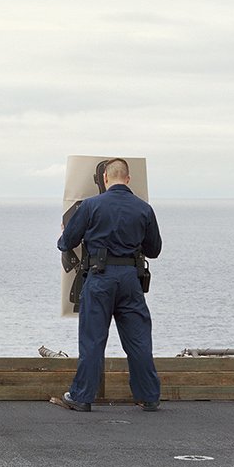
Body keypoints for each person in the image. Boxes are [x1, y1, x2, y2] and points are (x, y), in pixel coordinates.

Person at [51, 158, 163, 412]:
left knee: (93, 339)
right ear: (128, 179)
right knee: (138, 339)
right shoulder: (144, 209)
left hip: (100, 277)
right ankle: (149, 396)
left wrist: (64, 233)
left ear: (104, 179)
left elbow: (66, 242)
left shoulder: (91, 206)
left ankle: (81, 397)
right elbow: (154, 250)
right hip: (130, 279)